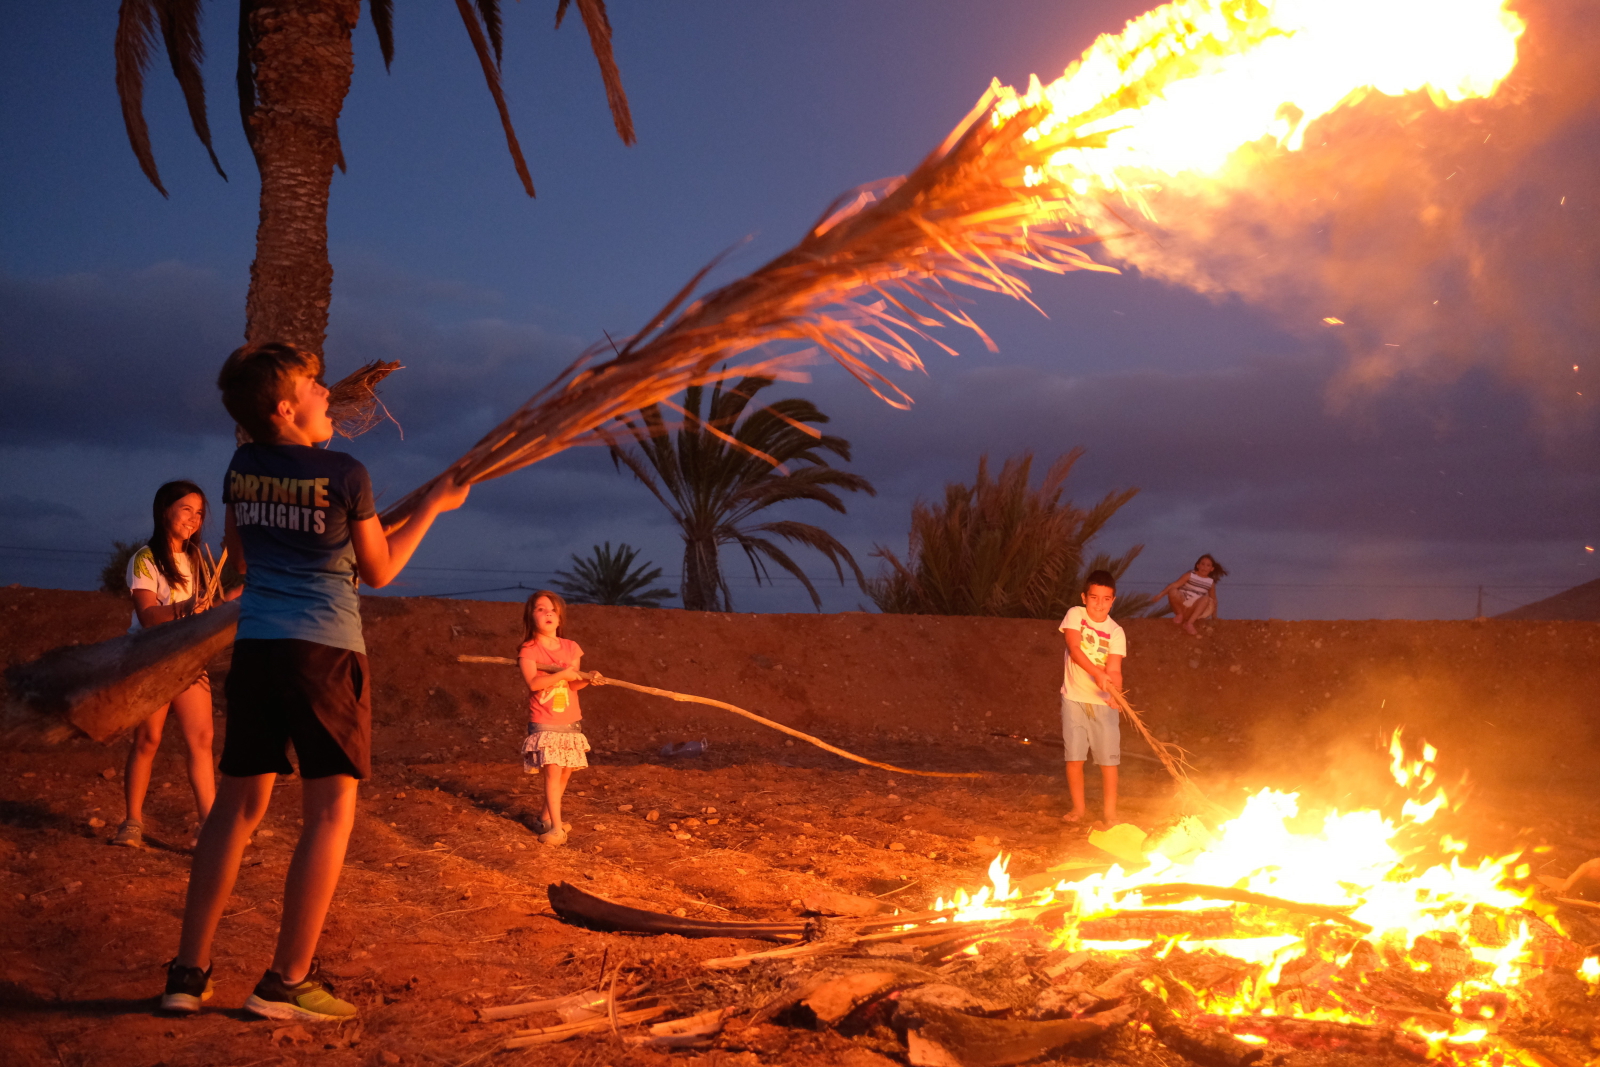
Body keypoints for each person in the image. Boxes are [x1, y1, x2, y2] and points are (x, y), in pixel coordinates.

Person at [160, 342, 468, 1021]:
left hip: (259, 653)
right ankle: (285, 981)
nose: (328, 393)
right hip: (327, 655)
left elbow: (240, 561)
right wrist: (433, 508)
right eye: (314, 385)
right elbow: (380, 571)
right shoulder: (346, 473)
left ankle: (187, 973)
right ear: (283, 407)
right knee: (329, 811)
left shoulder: (242, 467)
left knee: (235, 811)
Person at [112, 480, 239, 850]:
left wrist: (228, 602)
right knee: (148, 739)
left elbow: (205, 609)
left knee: (201, 740)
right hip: (151, 657)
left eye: (199, 513)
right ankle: (132, 822)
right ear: (165, 510)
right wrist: (186, 608)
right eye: (186, 509)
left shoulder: (198, 559)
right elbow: (149, 616)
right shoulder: (145, 559)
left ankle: (210, 827)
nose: (194, 519)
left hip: (188, 657)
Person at [518, 590, 603, 847]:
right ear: (531, 617)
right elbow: (534, 683)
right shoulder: (528, 649)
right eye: (541, 609)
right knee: (553, 772)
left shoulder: (571, 647)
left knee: (565, 772)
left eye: (552, 610)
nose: (548, 613)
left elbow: (574, 686)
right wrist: (563, 674)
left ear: (560, 617)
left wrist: (589, 678)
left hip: (570, 720)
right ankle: (556, 828)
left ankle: (544, 819)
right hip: (545, 721)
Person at [1059, 569, 1126, 827]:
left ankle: (1110, 813)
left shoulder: (1116, 631)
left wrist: (1115, 695)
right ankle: (1079, 808)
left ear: (1113, 600)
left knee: (1108, 761)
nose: (1099, 604)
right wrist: (1097, 673)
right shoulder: (1076, 615)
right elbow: (1075, 649)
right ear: (1084, 597)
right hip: (1074, 698)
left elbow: (1115, 670)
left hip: (1102, 703)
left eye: (1106, 599)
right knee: (1074, 758)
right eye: (1094, 597)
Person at [1156, 554, 1227, 636]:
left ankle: (1189, 623)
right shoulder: (1190, 575)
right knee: (1172, 591)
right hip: (1182, 605)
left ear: (1212, 569)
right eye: (1202, 564)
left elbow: (1214, 600)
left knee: (1206, 599)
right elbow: (1174, 585)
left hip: (1193, 609)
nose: (1204, 567)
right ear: (1198, 565)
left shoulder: (1210, 583)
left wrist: (1214, 617)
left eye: (1208, 565)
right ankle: (1180, 614)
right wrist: (1161, 595)